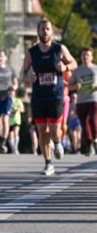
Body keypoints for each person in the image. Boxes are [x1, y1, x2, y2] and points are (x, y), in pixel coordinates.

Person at [23, 17, 76, 176]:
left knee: (53, 129)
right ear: (38, 32)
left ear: (52, 32)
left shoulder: (59, 49)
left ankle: (58, 141)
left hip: (56, 95)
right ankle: (48, 163)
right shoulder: (32, 52)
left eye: (47, 29)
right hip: (38, 96)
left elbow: (74, 63)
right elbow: (24, 73)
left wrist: (65, 66)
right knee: (42, 130)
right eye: (42, 29)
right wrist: (29, 76)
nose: (44, 31)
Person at [69, 46, 97, 155]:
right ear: (81, 57)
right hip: (81, 101)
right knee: (84, 125)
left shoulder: (96, 69)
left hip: (94, 99)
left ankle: (95, 139)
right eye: (83, 55)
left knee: (93, 120)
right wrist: (77, 86)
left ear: (92, 57)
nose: (85, 56)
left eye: (87, 55)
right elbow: (69, 86)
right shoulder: (77, 71)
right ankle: (90, 145)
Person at [7, 87, 25, 154]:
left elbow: (23, 109)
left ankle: (16, 148)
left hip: (16, 120)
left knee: (16, 133)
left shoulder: (18, 100)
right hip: (8, 121)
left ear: (14, 93)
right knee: (10, 136)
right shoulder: (6, 100)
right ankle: (13, 149)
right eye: (10, 92)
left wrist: (17, 109)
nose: (11, 93)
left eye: (12, 92)